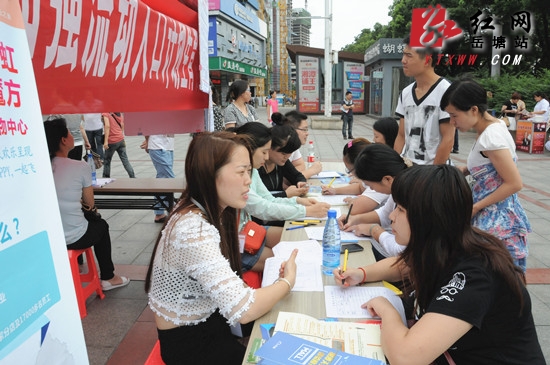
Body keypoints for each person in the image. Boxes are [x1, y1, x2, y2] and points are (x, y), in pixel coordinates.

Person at [334, 165, 545, 365]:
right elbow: (404, 265)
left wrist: (387, 310)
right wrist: (361, 273)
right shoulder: (447, 243)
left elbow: (405, 357)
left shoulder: (475, 275)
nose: (391, 216)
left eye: (400, 209)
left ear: (428, 216)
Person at [145, 132, 298, 364]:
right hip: (192, 345)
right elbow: (244, 309)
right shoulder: (193, 230)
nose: (248, 180)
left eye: (249, 171)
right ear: (210, 174)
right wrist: (287, 282)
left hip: (212, 323)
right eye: (241, 172)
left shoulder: (211, 211)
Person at [440, 78, 531, 271]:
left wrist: (475, 207)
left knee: (490, 272)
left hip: (496, 219)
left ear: (473, 110)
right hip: (495, 212)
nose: (452, 122)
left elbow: (514, 183)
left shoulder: (491, 137)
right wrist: (465, 170)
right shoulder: (493, 127)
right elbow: (491, 166)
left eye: (454, 115)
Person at [229, 122, 330, 272]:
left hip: (249, 230)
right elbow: (262, 208)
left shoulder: (252, 171)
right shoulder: (235, 176)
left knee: (299, 242)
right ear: (248, 148)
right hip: (238, 242)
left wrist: (297, 201)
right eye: (264, 152)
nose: (267, 156)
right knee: (288, 263)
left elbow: (268, 200)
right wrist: (306, 211)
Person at [44, 118, 130, 291]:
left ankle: (76, 267)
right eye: (68, 132)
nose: (71, 135)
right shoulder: (80, 166)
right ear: (63, 140)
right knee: (101, 226)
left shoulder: (42, 168)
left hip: (50, 237)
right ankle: (108, 277)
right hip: (74, 237)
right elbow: (90, 203)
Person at [339, 144, 411, 261]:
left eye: (370, 185)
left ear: (387, 179)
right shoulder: (399, 186)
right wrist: (355, 219)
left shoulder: (412, 195)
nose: (371, 190)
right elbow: (384, 214)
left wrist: (374, 230)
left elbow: (403, 250)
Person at [394, 36, 455, 165]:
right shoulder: (405, 93)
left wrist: (432, 175)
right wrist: (393, 165)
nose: (403, 60)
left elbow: (448, 139)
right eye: (403, 55)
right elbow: (401, 135)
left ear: (427, 60)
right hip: (408, 168)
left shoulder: (446, 91)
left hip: (432, 172)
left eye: (409, 56)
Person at [321, 138, 389, 215]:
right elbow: (360, 187)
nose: (352, 174)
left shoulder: (379, 181)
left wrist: (352, 201)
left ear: (361, 165)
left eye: (350, 170)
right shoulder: (372, 174)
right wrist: (335, 190)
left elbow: (355, 208)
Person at [258, 123, 308, 198]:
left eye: (290, 153)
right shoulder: (257, 165)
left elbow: (297, 175)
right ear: (269, 146)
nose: (286, 157)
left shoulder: (280, 162)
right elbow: (257, 198)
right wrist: (286, 194)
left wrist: (301, 183)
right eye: (283, 153)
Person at [275, 111, 323, 178]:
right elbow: (285, 180)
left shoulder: (294, 146)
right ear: (292, 129)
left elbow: (300, 165)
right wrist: (312, 171)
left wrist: (294, 176)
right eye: (304, 129)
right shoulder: (278, 146)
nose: (307, 133)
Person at [140, 134, 175, 223]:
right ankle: (173, 210)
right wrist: (147, 141)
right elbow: (147, 124)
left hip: (169, 145)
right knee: (170, 178)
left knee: (162, 179)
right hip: (157, 145)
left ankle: (159, 213)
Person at [101, 112, 135, 178]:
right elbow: (122, 125)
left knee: (107, 160)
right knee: (125, 160)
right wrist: (120, 135)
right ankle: (132, 176)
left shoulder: (105, 113)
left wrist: (105, 142)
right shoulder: (118, 113)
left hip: (112, 141)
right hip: (121, 140)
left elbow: (107, 126)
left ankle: (106, 178)